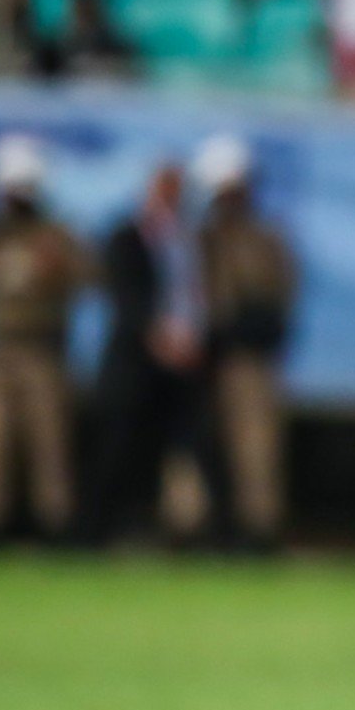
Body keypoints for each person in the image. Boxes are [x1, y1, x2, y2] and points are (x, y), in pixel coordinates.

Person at [82, 163, 228, 546]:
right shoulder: (125, 238)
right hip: (134, 366)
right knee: (118, 450)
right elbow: (126, 298)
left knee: (190, 455)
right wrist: (158, 337)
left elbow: (203, 297)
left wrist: (195, 343)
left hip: (185, 369)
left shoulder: (195, 240)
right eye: (164, 190)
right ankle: (95, 533)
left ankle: (195, 537)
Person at [0, 133, 88, 542]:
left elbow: (83, 274)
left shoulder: (55, 234)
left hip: (41, 349)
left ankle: (55, 525)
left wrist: (53, 266)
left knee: (48, 445)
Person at [194, 135, 297, 552]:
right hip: (202, 361)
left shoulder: (266, 240)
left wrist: (243, 330)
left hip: (249, 359)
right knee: (195, 449)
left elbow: (278, 302)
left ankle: (259, 530)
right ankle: (197, 527)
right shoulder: (197, 238)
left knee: (256, 449)